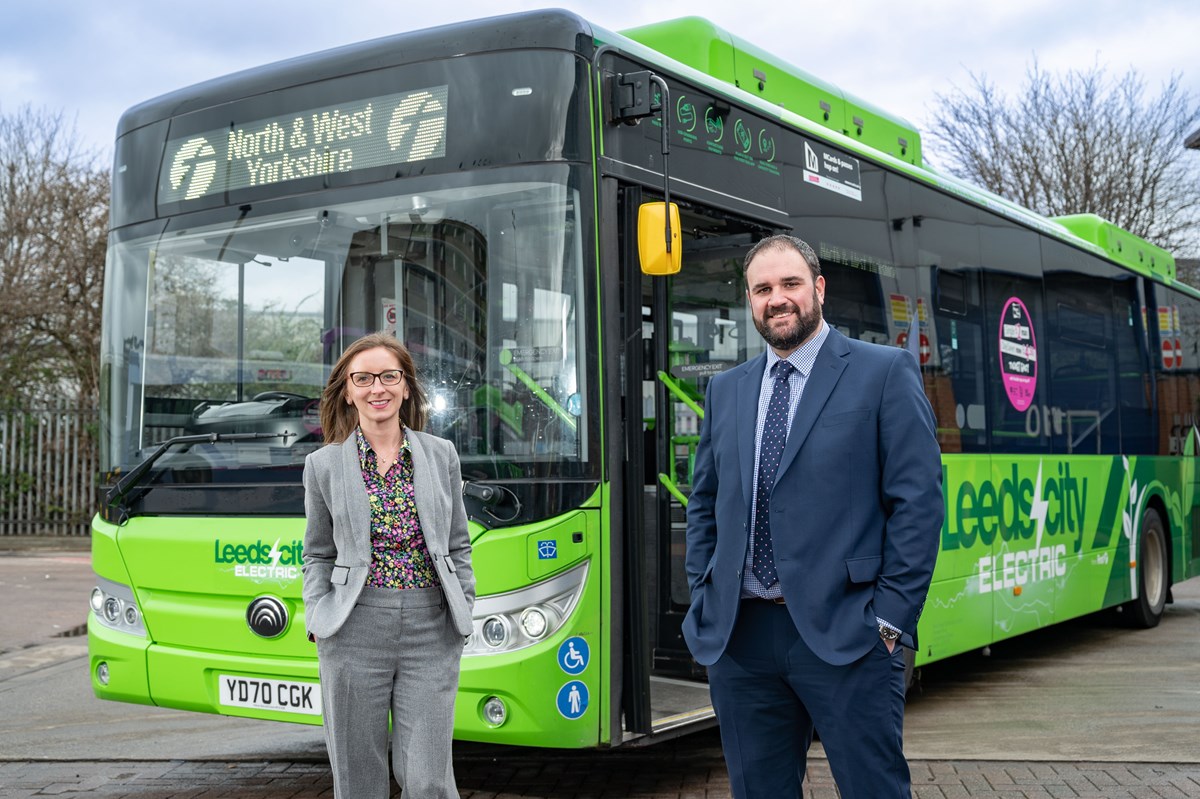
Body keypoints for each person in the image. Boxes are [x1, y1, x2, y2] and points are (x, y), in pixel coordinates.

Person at [682, 234, 943, 798]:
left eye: (790, 284)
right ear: (750, 301)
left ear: (819, 289)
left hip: (851, 633)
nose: (778, 299)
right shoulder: (726, 390)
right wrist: (704, 593)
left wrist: (890, 621)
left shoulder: (882, 371)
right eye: (763, 289)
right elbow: (704, 502)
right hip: (742, 638)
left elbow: (917, 504)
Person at [302, 332, 475, 799]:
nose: (376, 388)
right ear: (347, 389)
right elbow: (317, 552)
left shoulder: (442, 455)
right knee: (358, 779)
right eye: (363, 378)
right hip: (354, 628)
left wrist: (464, 608)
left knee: (429, 779)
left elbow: (458, 545)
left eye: (388, 376)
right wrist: (319, 613)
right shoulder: (322, 465)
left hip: (430, 629)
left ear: (404, 385)